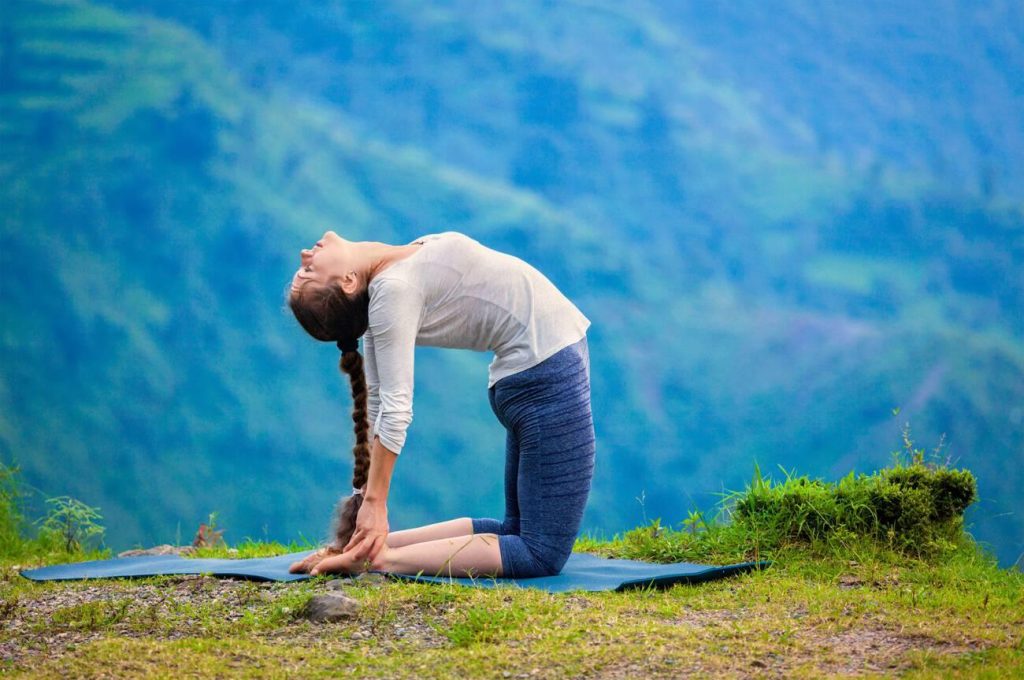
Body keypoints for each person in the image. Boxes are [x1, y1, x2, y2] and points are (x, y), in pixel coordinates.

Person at [285, 230, 595, 579]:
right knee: (540, 553)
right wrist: (372, 503)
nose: (303, 256)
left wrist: (358, 526)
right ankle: (378, 558)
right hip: (544, 377)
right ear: (348, 281)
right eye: (308, 273)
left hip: (534, 373)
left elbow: (377, 407)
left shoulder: (388, 281)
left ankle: (368, 550)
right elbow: (393, 409)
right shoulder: (392, 291)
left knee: (515, 531)